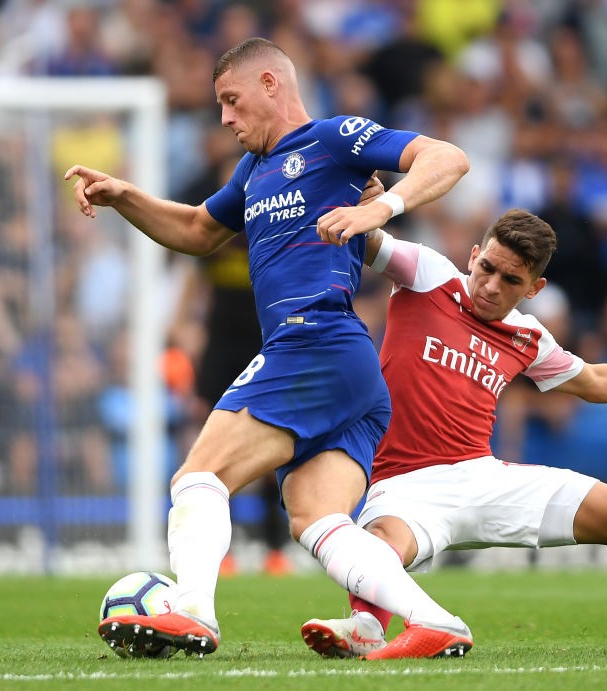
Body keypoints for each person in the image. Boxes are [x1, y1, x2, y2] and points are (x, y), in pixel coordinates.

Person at [63, 37, 471, 657]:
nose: (224, 118)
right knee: (315, 518)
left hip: (314, 339)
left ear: (271, 85)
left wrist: (380, 208)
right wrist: (126, 197)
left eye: (231, 100)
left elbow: (447, 157)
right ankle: (434, 619)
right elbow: (199, 230)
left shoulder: (335, 138)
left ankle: (194, 608)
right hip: (346, 366)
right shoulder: (254, 171)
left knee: (198, 477)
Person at [301, 209, 607, 659]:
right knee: (379, 545)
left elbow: (595, 381)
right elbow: (365, 240)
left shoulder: (527, 335)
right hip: (403, 482)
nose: (492, 286)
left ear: (534, 289)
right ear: (474, 256)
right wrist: (366, 202)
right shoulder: (428, 276)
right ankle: (367, 626)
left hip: (481, 476)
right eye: (487, 268)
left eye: (511, 280)